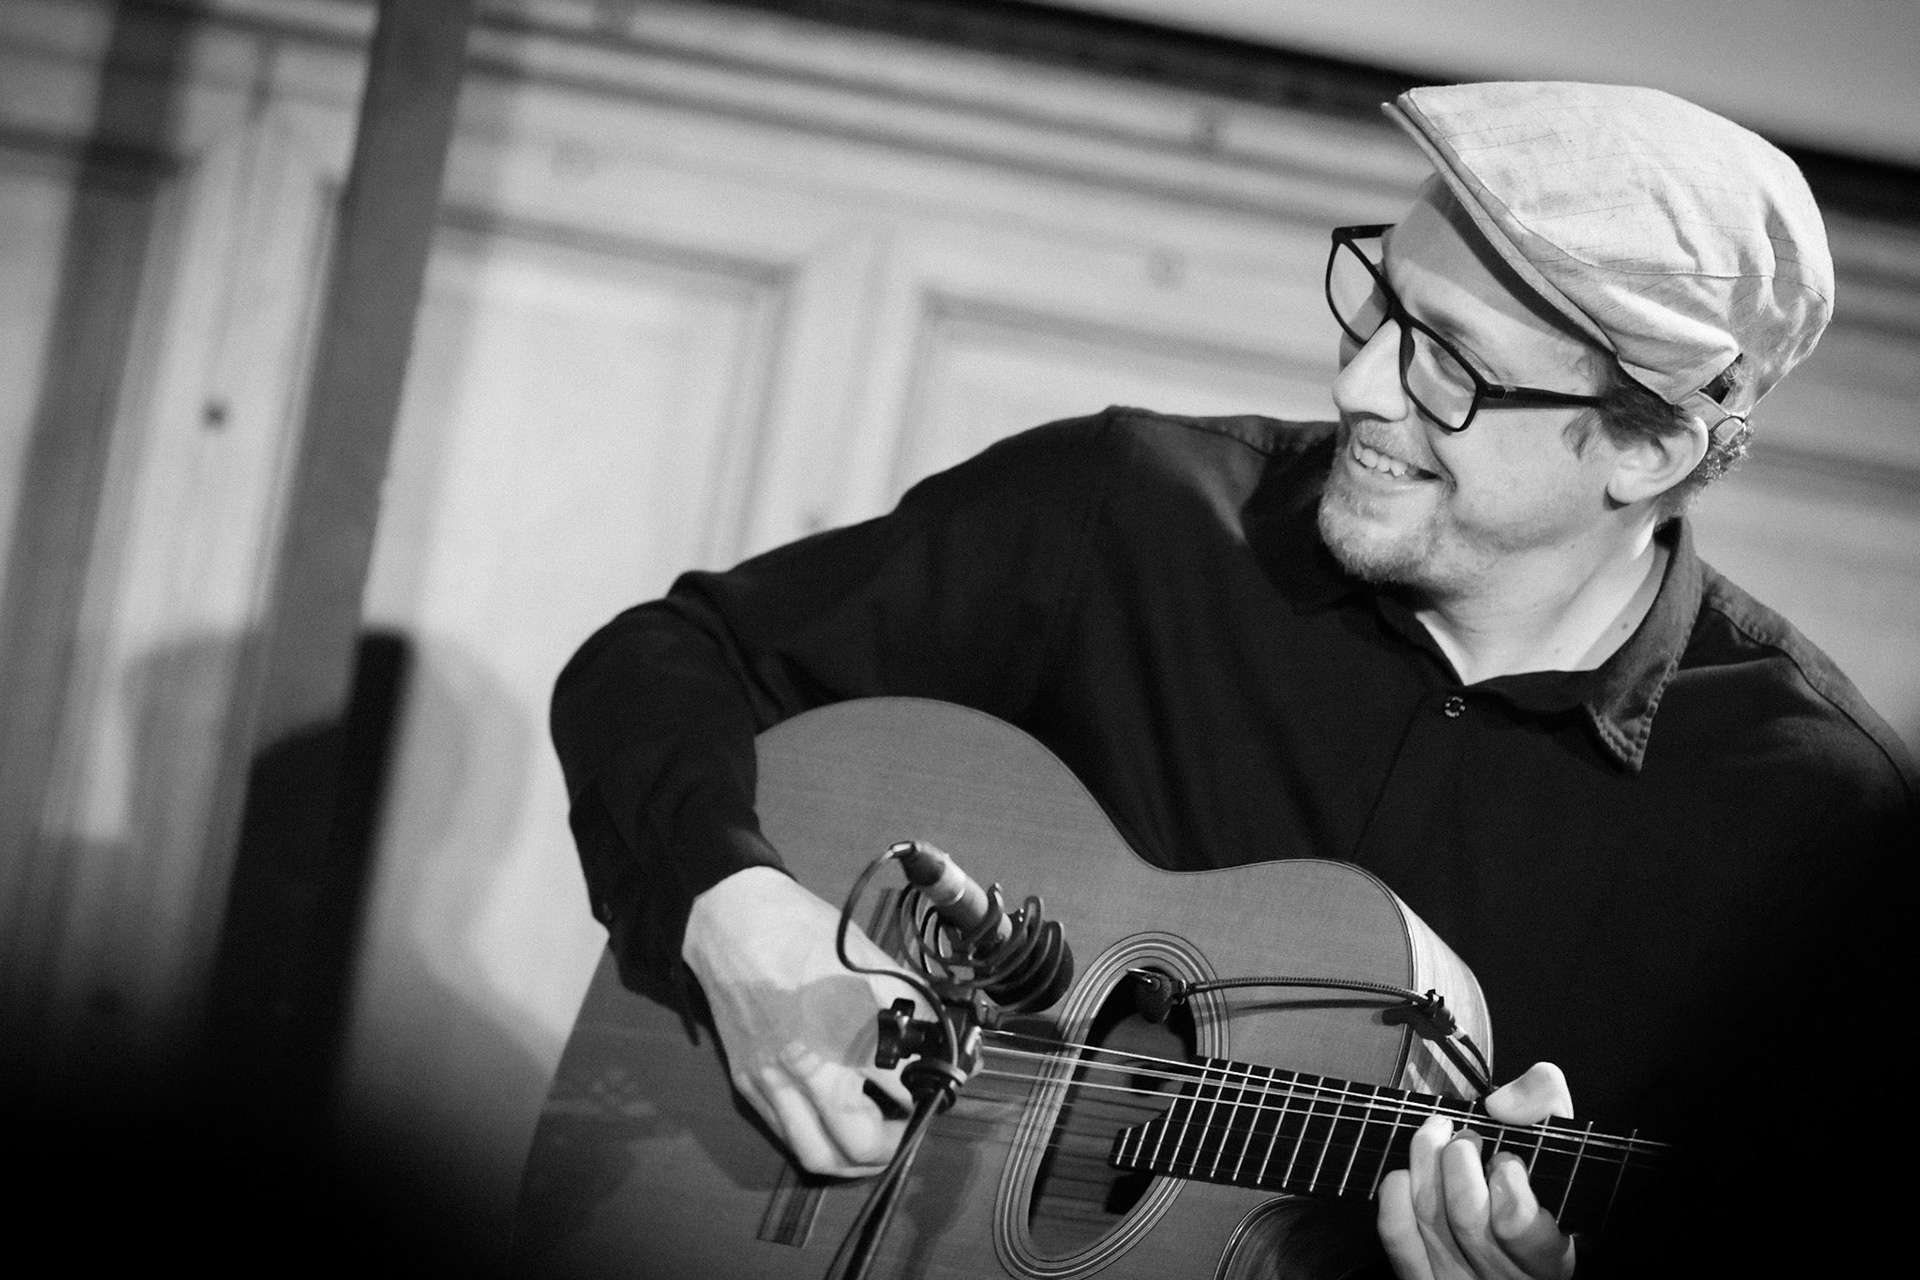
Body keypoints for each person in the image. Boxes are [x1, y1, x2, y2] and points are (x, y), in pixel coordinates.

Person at [550, 81, 1913, 1277]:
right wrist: (737, 921)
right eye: (1381, 302)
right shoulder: (1129, 511)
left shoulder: (1812, 829)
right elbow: (671, 662)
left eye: (1452, 368)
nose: (1366, 382)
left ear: (1649, 450)